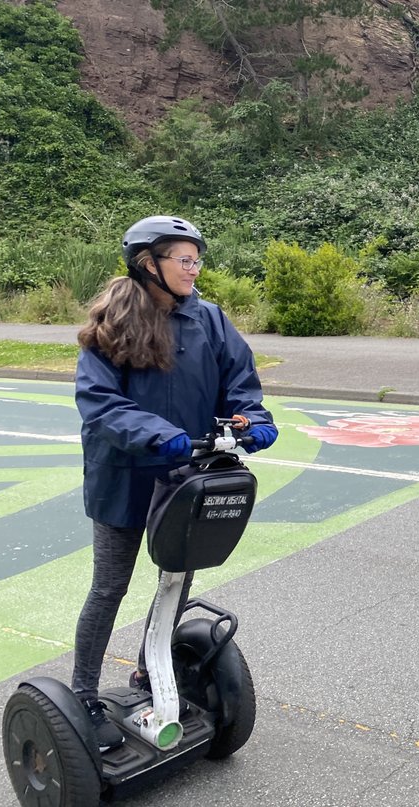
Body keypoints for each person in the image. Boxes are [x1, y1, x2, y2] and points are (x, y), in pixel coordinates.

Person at [72, 215, 278, 751]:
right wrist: (157, 433)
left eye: (196, 259)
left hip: (189, 475)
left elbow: (240, 382)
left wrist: (250, 420)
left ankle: (149, 672)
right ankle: (84, 694)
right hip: (124, 473)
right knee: (110, 587)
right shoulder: (111, 324)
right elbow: (99, 403)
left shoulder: (208, 319)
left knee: (175, 582)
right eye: (183, 260)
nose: (194, 268)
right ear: (149, 264)